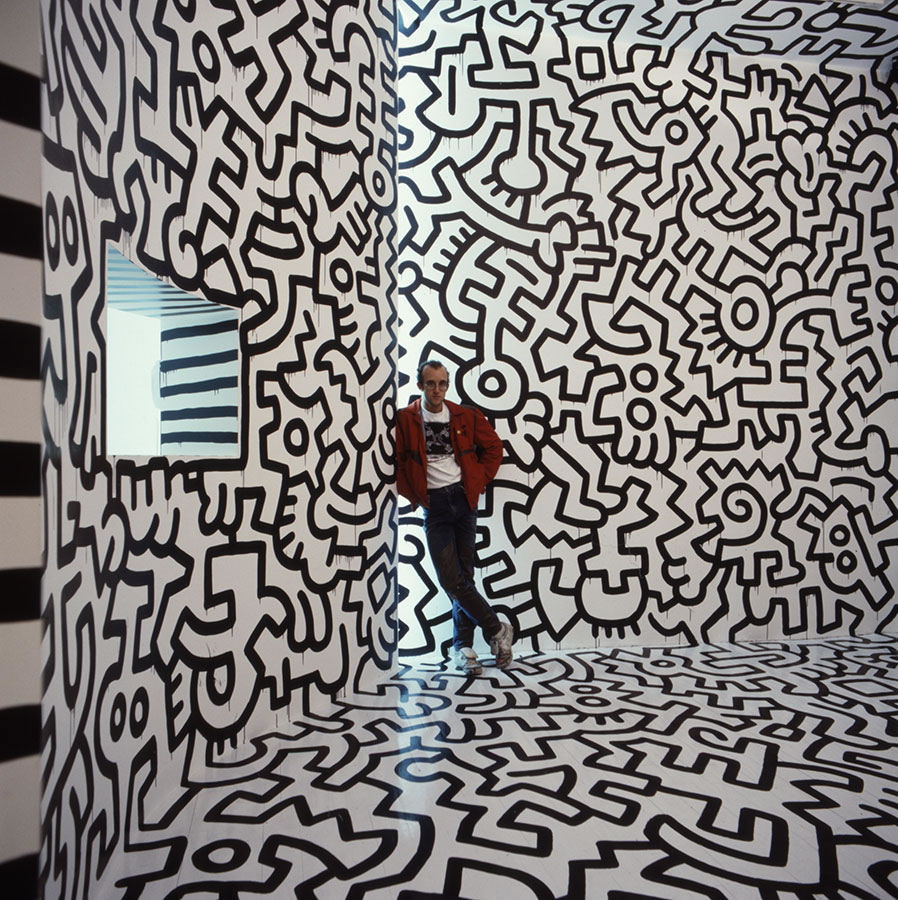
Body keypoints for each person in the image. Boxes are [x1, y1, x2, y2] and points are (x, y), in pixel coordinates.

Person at [395, 359, 515, 675]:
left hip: (462, 502)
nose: (437, 389)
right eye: (431, 383)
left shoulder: (466, 416)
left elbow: (494, 448)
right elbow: (397, 463)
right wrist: (414, 496)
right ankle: (496, 629)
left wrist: (476, 480)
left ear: (448, 385)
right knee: (452, 581)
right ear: (420, 385)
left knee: (463, 578)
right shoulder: (406, 420)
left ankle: (463, 648)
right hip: (434, 507)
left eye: (442, 383)